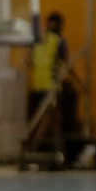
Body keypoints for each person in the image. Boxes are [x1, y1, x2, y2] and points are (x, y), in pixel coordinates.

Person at [25, 11, 68, 152]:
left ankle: (59, 150)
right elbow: (65, 64)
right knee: (47, 119)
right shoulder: (59, 41)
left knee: (57, 118)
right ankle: (33, 149)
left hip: (37, 84)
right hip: (51, 85)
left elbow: (28, 60)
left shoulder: (37, 40)